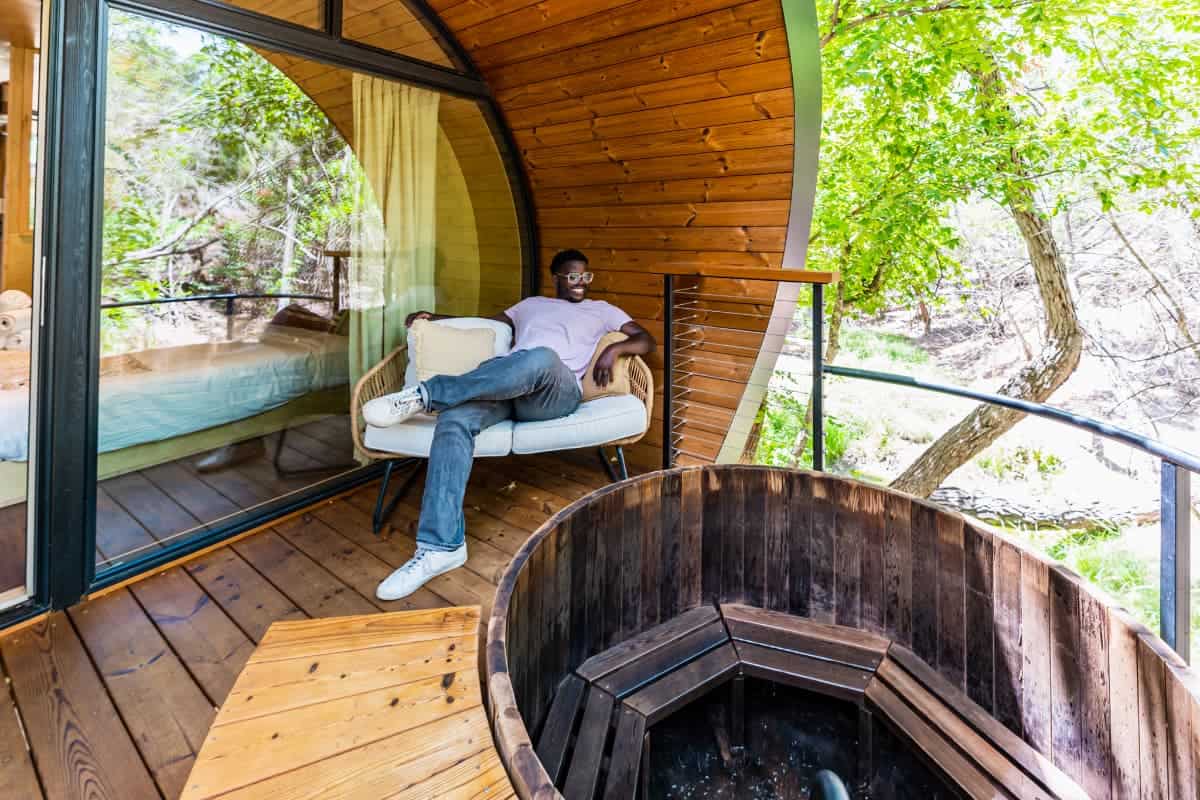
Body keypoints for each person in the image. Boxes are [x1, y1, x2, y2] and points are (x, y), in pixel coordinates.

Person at [363, 249, 656, 600]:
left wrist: (614, 351)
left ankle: (425, 395)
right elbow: (486, 322)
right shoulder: (531, 305)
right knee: (455, 420)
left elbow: (645, 339)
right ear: (557, 278)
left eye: (585, 277)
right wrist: (436, 318)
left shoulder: (603, 311)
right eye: (573, 277)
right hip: (507, 389)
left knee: (542, 356)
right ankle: (441, 548)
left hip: (554, 392)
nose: (580, 284)